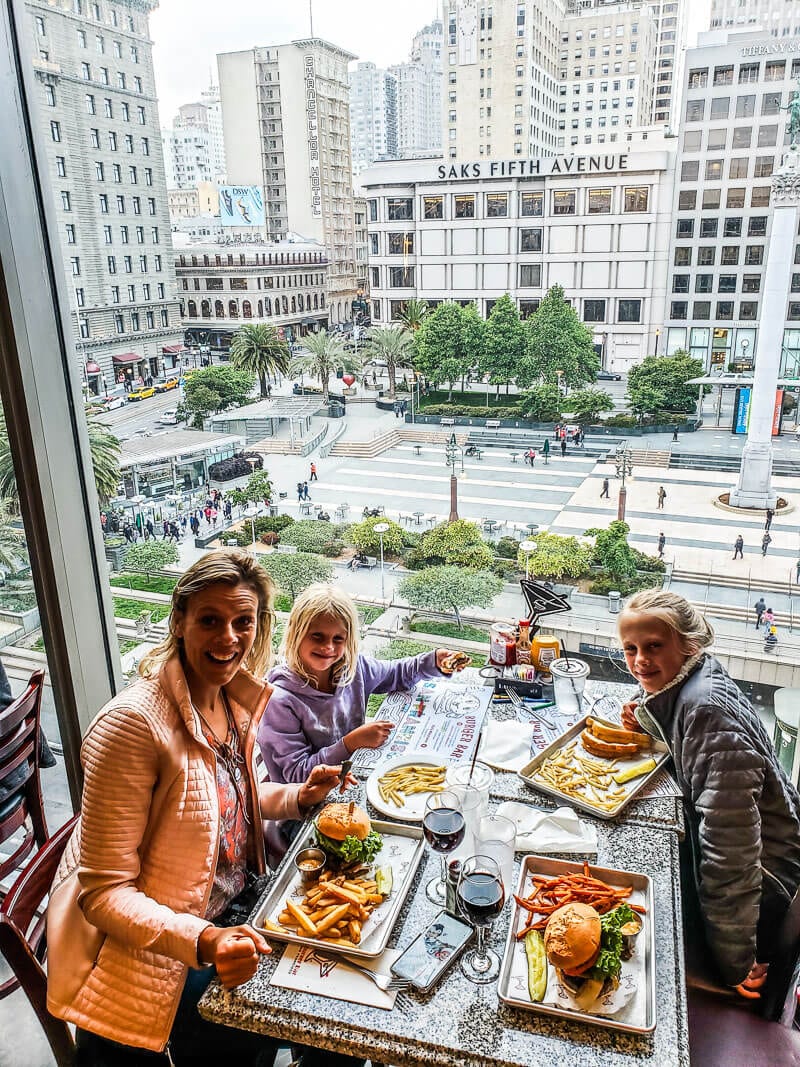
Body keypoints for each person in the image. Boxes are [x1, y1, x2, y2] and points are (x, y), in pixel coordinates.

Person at [46, 550, 360, 1067]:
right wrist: (207, 940)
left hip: (238, 910)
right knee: (339, 1027)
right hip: (164, 957)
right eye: (210, 620)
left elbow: (221, 804)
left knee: (349, 998)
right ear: (179, 622)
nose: (228, 638)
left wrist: (298, 797)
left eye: (243, 622)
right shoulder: (132, 727)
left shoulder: (228, 699)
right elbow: (102, 894)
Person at [618, 589, 800, 999]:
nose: (639, 660)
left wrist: (734, 964)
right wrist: (647, 719)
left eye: (653, 647)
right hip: (756, 875)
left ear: (689, 645)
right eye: (630, 649)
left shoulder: (705, 713)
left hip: (760, 896)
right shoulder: (699, 678)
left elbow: (730, 849)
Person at [258, 584, 469, 788]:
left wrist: (432, 661)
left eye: (338, 639)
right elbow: (296, 775)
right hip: (301, 807)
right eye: (317, 636)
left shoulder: (355, 668)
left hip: (351, 778)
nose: (328, 647)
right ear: (296, 632)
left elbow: (395, 673)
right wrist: (350, 744)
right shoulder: (278, 700)